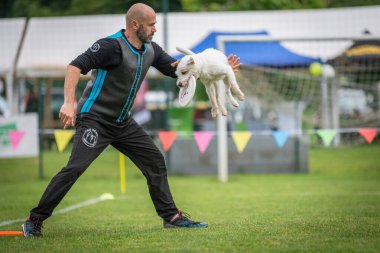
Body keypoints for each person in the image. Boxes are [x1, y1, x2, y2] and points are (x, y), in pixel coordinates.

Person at [22, 3, 241, 237]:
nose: (155, 29)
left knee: (155, 160)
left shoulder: (152, 50)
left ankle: (172, 217)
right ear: (135, 25)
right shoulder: (109, 47)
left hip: (123, 123)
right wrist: (68, 102)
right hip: (95, 120)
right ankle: (34, 220)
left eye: (156, 23)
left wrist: (217, 69)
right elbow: (74, 67)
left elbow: (180, 69)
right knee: (75, 168)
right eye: (151, 24)